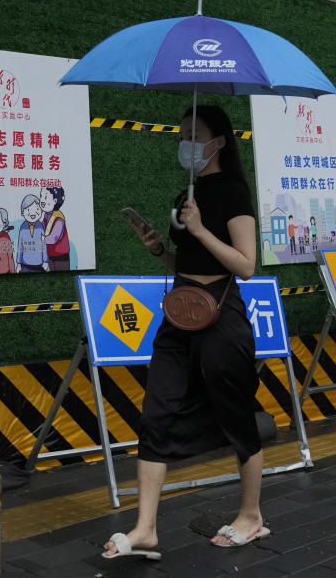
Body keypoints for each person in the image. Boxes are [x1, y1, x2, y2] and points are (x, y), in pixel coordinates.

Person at [103, 105, 266, 559]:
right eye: (182, 134)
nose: (186, 143)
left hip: (222, 314)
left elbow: (246, 264)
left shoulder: (232, 192)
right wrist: (158, 247)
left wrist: (198, 227)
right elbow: (187, 265)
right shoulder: (184, 195)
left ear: (218, 143)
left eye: (195, 134)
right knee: (157, 410)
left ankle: (251, 515)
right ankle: (145, 528)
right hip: (180, 314)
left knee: (236, 414)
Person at [15, 194, 49, 273]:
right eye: (28, 210)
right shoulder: (23, 227)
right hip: (25, 263)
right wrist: (19, 263)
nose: (32, 213)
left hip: (39, 263)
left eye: (37, 209)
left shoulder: (40, 226)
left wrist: (45, 261)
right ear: (23, 212)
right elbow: (20, 246)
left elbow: (43, 244)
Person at [40, 186, 71, 271]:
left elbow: (53, 238)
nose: (42, 200)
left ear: (55, 201)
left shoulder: (59, 218)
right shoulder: (45, 216)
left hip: (61, 255)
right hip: (50, 254)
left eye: (45, 197)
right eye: (41, 196)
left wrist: (39, 240)